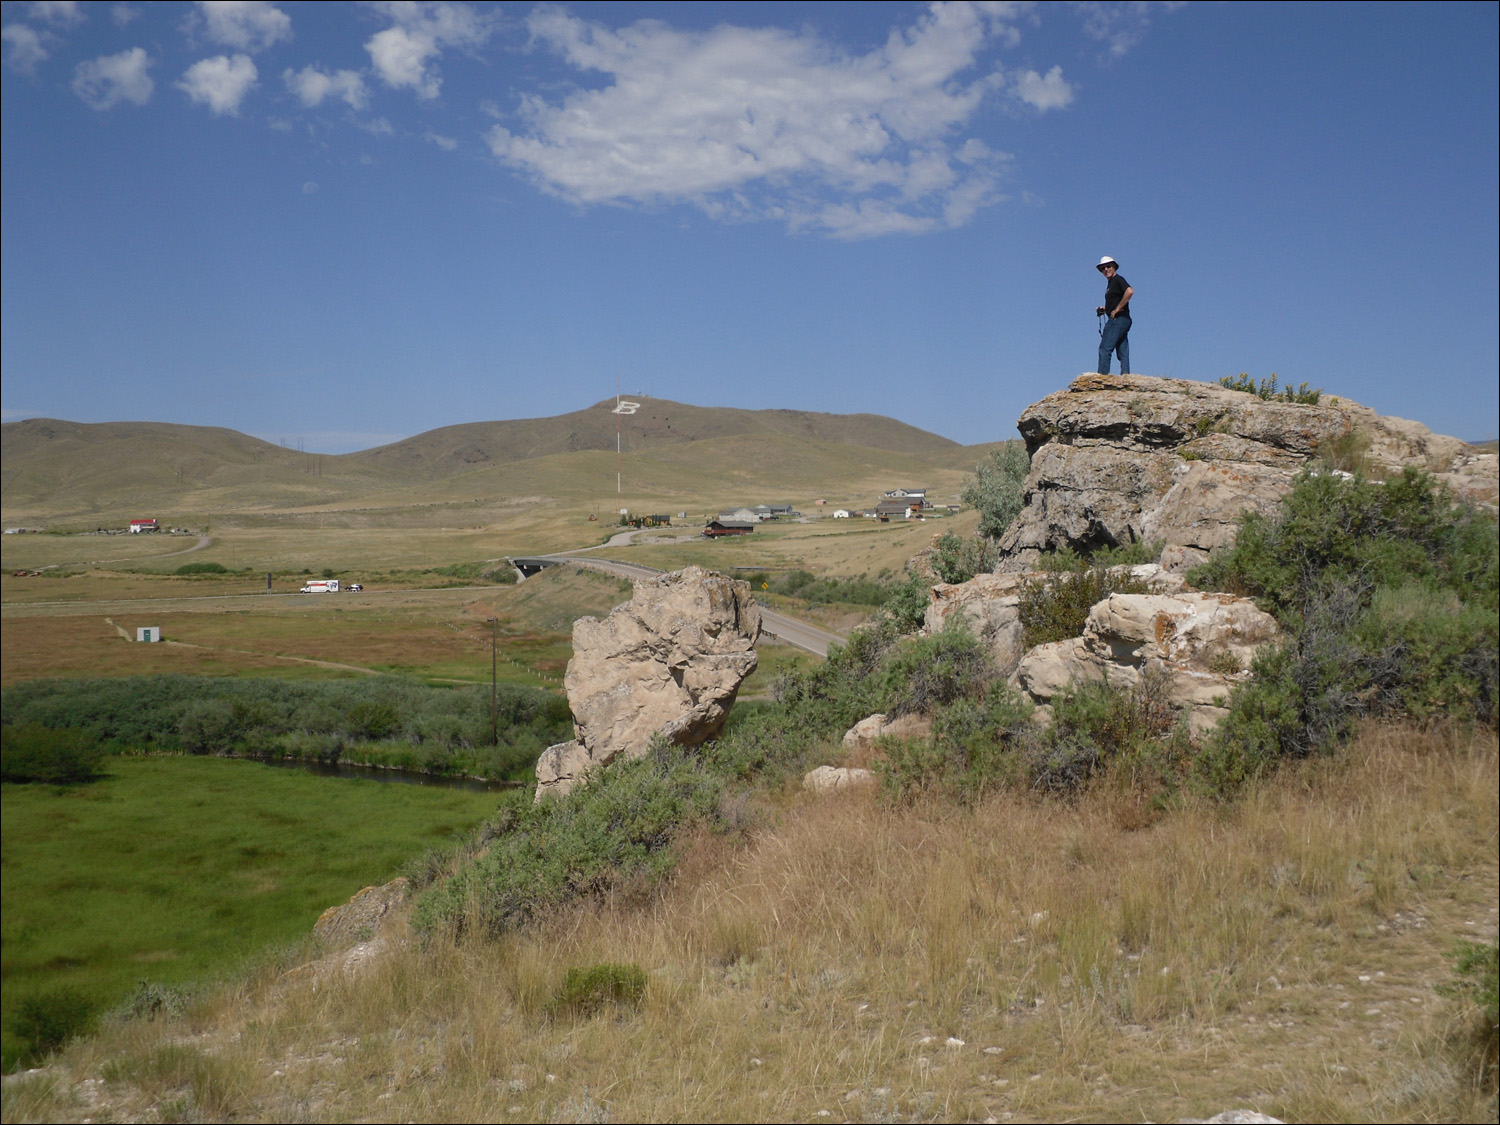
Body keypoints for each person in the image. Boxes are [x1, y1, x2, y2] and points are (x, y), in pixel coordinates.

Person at [1094, 255, 1133, 374]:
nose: (1106, 269)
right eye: (1103, 268)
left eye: (1108, 266)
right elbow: (1116, 300)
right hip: (1124, 319)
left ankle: (1102, 378)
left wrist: (1117, 309)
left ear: (1114, 267)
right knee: (1122, 350)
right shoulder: (1111, 284)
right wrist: (1105, 309)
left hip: (1117, 320)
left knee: (1105, 349)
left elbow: (1130, 291)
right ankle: (1126, 376)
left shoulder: (1118, 280)